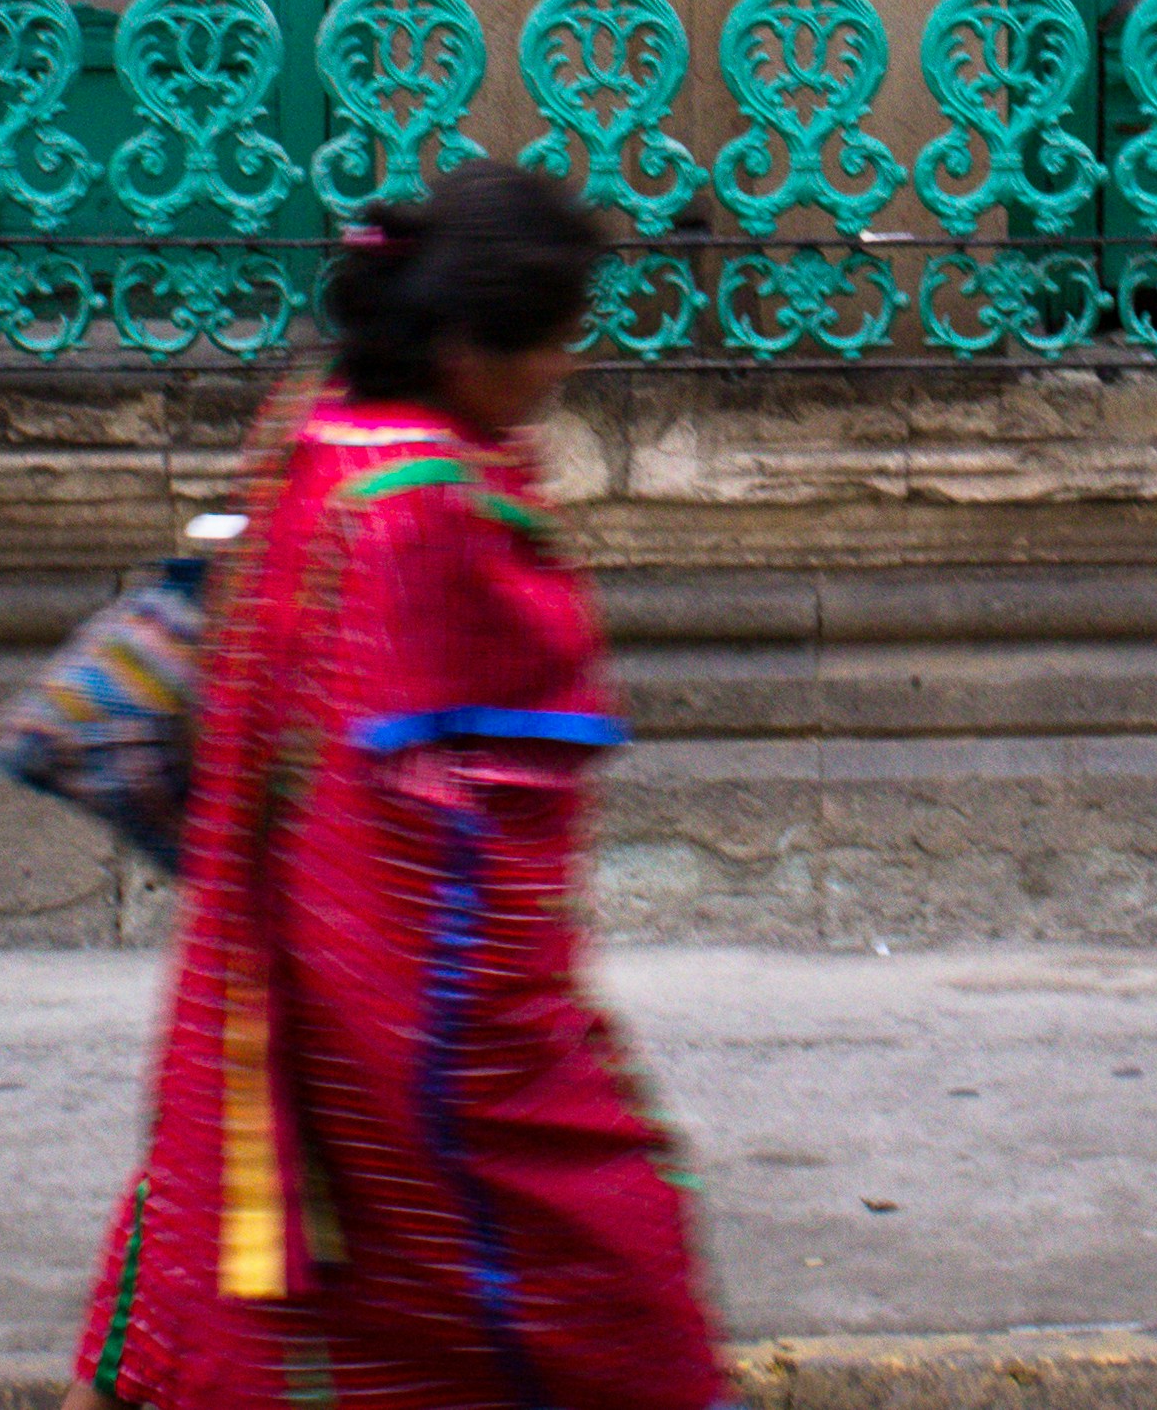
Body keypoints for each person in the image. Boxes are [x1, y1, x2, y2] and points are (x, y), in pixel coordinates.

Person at [73, 166, 727, 1410]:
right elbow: (452, 827)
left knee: (208, 1267)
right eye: (554, 341)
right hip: (405, 1019)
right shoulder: (437, 512)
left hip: (256, 979)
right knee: (610, 1272)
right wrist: (519, 1066)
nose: (566, 368)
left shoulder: (311, 429)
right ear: (473, 346)